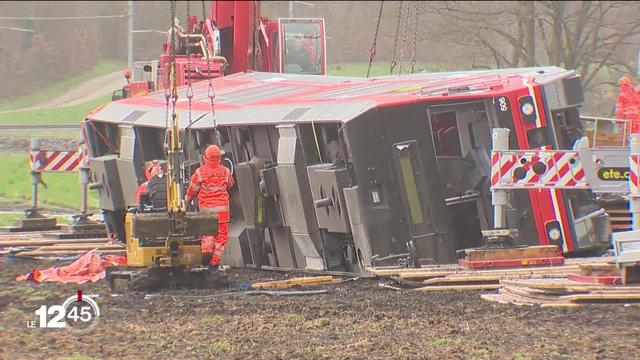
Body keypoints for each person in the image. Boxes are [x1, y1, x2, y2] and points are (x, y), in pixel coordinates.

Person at [186, 145, 234, 268]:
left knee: (207, 234)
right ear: (219, 158)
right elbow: (231, 184)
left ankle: (206, 252)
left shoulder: (200, 172)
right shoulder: (225, 171)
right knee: (221, 237)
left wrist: (188, 199)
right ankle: (214, 263)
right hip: (222, 213)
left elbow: (192, 190)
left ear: (205, 157)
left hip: (206, 212)